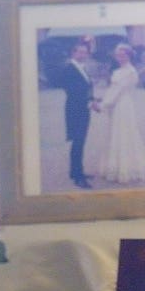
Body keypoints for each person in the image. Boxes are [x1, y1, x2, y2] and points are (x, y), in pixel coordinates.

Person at [90, 42, 145, 186]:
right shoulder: (117, 71)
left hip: (123, 106)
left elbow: (118, 92)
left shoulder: (130, 72)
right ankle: (114, 166)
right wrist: (102, 99)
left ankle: (126, 168)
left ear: (129, 56)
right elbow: (112, 90)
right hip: (115, 106)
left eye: (123, 55)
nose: (120, 57)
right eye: (118, 55)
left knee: (123, 133)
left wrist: (102, 105)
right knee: (113, 133)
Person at [41, 36, 99, 188]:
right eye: (79, 52)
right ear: (73, 53)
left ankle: (76, 171)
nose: (82, 55)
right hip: (75, 109)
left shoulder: (82, 68)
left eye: (85, 52)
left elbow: (87, 87)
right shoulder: (69, 68)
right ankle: (78, 177)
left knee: (80, 141)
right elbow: (73, 91)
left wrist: (92, 99)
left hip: (82, 108)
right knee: (77, 142)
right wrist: (88, 101)